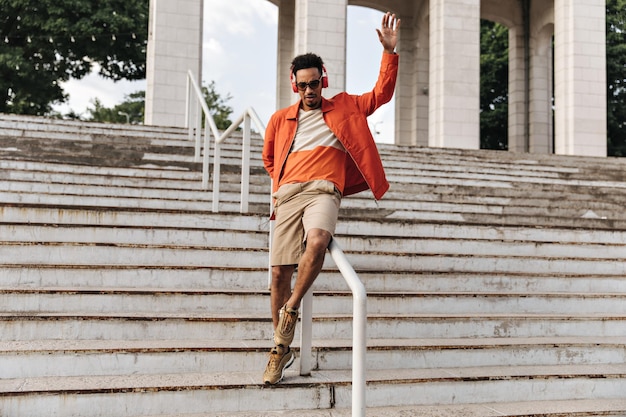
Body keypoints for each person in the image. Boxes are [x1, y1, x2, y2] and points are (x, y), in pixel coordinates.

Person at [261, 11, 401, 385]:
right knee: (278, 274)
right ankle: (280, 349)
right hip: (288, 193)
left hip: (325, 189)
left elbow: (380, 95)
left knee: (319, 241)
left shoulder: (345, 106)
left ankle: (289, 313)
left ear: (323, 81)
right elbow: (269, 159)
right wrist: (281, 186)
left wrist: (389, 53)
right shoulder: (279, 120)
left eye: (315, 84)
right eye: (304, 85)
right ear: (295, 85)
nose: (310, 91)